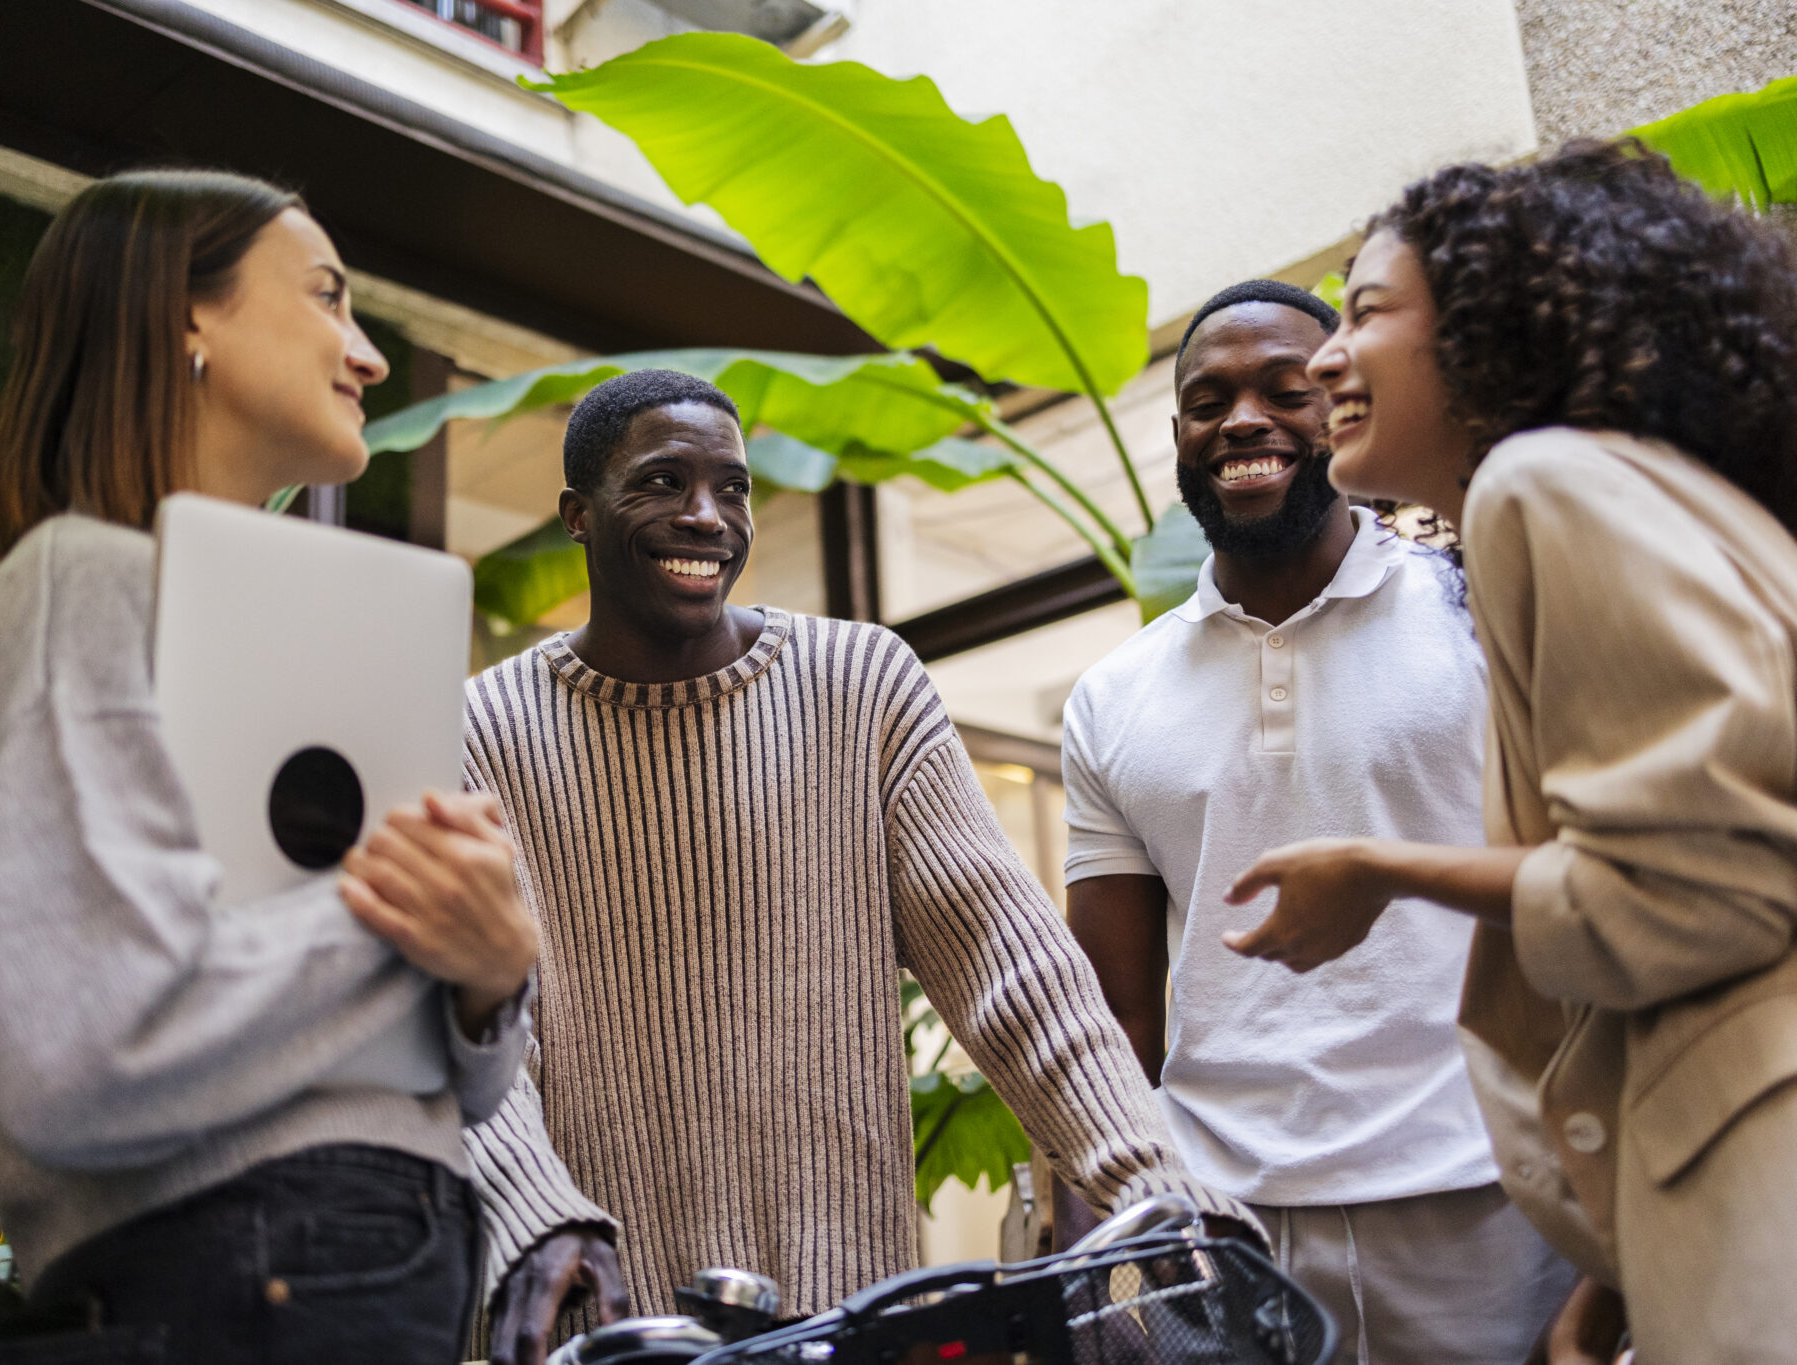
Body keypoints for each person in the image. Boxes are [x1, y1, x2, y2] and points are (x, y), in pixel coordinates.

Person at [460, 368, 1259, 1365]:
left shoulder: (861, 688)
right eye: (662, 483)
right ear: (578, 516)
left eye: (733, 487)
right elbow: (472, 1033)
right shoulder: (481, 733)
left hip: (850, 1319)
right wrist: (534, 1217)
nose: (706, 516)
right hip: (611, 1327)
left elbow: (1013, 971)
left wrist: (1153, 1181)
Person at [0, 170, 538, 1363]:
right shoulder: (79, 583)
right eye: (326, 298)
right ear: (184, 315)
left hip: (326, 1265)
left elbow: (452, 1085)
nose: (366, 356)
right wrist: (410, 922)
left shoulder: (311, 629)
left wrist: (488, 978)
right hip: (245, 1268)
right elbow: (86, 1048)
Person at [1223, 142, 1797, 1364]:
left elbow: (1691, 898)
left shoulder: (1542, 485)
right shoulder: (1654, 494)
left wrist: (1376, 872)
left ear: (1494, 324)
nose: (1327, 354)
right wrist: (1622, 1274)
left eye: (1367, 313)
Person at [1061, 280, 1574, 1364]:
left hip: (1485, 1202)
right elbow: (1112, 1017)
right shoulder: (1112, 696)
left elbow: (1587, 895)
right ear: (1177, 439)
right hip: (1221, 1226)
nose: (1240, 419)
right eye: (1206, 401)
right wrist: (1100, 1235)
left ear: (1338, 406)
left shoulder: (1479, 612)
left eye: (1281, 390)